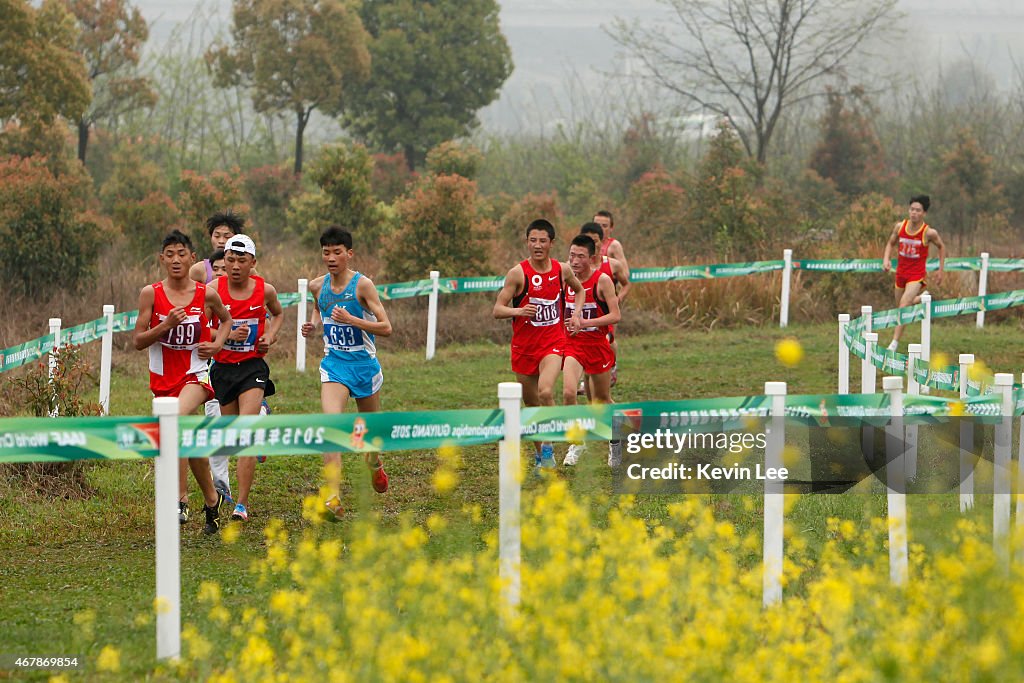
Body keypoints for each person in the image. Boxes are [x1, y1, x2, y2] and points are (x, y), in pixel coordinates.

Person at [133, 230, 233, 535]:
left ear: (192, 258)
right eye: (170, 254)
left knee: (174, 422)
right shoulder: (150, 294)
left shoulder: (206, 293)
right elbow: (138, 340)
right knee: (188, 442)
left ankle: (179, 500)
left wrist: (216, 346)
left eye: (182, 254)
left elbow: (227, 321)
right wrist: (166, 325)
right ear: (161, 259)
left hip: (196, 375)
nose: (176, 260)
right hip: (163, 380)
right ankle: (212, 500)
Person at [300, 226, 393, 519]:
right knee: (332, 425)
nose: (331, 257)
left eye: (337, 252)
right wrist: (313, 326)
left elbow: (386, 327)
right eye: (326, 252)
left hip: (364, 366)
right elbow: (319, 309)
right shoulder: (317, 286)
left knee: (370, 435)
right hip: (334, 366)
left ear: (349, 254)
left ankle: (374, 463)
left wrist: (352, 319)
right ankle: (332, 497)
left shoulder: (363, 286)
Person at [493, 219, 586, 468]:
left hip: (553, 343)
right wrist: (519, 312)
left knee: (546, 391)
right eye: (532, 240)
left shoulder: (561, 270)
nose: (537, 245)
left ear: (551, 243)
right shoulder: (518, 273)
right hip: (524, 349)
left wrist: (575, 314)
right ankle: (542, 456)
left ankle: (549, 441)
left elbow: (580, 291)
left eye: (542, 241)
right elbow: (498, 309)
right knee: (532, 405)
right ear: (527, 242)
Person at [209, 234, 284, 522]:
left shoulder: (265, 290)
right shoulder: (213, 290)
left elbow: (277, 315)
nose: (235, 266)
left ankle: (241, 504)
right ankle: (261, 416)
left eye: (242, 261)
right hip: (223, 370)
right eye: (230, 260)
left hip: (253, 367)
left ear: (253, 263)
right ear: (223, 261)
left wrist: (269, 336)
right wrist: (226, 336)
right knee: (233, 436)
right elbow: (204, 329)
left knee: (246, 432)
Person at [561, 235, 620, 467]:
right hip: (573, 345)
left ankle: (616, 442)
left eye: (580, 256)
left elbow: (616, 315)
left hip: (596, 344)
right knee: (568, 393)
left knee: (601, 400)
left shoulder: (602, 280)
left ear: (592, 258)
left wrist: (584, 322)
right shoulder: (565, 279)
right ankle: (577, 442)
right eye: (571, 255)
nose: (574, 261)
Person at [882, 195, 946, 350]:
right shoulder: (900, 227)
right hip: (901, 274)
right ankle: (921, 299)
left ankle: (894, 343)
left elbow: (942, 247)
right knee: (901, 307)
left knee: (904, 305)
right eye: (912, 209)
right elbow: (890, 243)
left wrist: (940, 270)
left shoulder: (929, 233)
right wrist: (886, 259)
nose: (914, 213)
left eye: (918, 210)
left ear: (924, 213)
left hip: (916, 276)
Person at [593, 211, 628, 386]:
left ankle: (610, 366)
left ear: (611, 228)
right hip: (589, 300)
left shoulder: (614, 246)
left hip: (607, 302)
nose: (600, 228)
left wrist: (618, 298)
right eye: (597, 224)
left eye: (604, 226)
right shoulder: (587, 245)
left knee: (608, 337)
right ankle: (591, 375)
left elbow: (626, 275)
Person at [189, 211, 244, 284]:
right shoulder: (199, 269)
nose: (221, 241)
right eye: (217, 236)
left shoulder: (245, 269)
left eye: (227, 237)